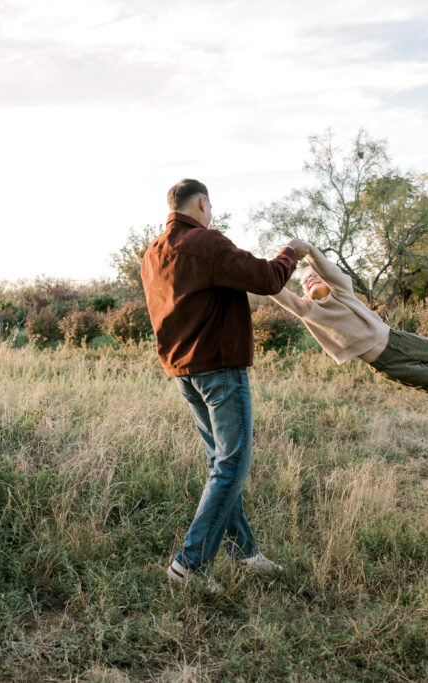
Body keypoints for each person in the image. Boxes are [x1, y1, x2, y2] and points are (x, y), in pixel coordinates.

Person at [141, 178, 308, 590]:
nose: (211, 213)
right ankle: (190, 565)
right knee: (232, 465)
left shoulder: (152, 252)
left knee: (221, 463)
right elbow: (268, 279)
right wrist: (293, 252)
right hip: (218, 369)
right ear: (201, 203)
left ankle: (244, 552)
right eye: (210, 207)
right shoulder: (208, 243)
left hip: (183, 370)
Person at [270, 243, 428, 396]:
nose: (311, 279)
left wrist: (308, 251)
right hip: (383, 362)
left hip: (395, 338)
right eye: (306, 281)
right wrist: (259, 272)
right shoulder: (308, 310)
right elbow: (275, 289)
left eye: (315, 275)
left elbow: (329, 270)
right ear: (304, 291)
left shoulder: (341, 291)